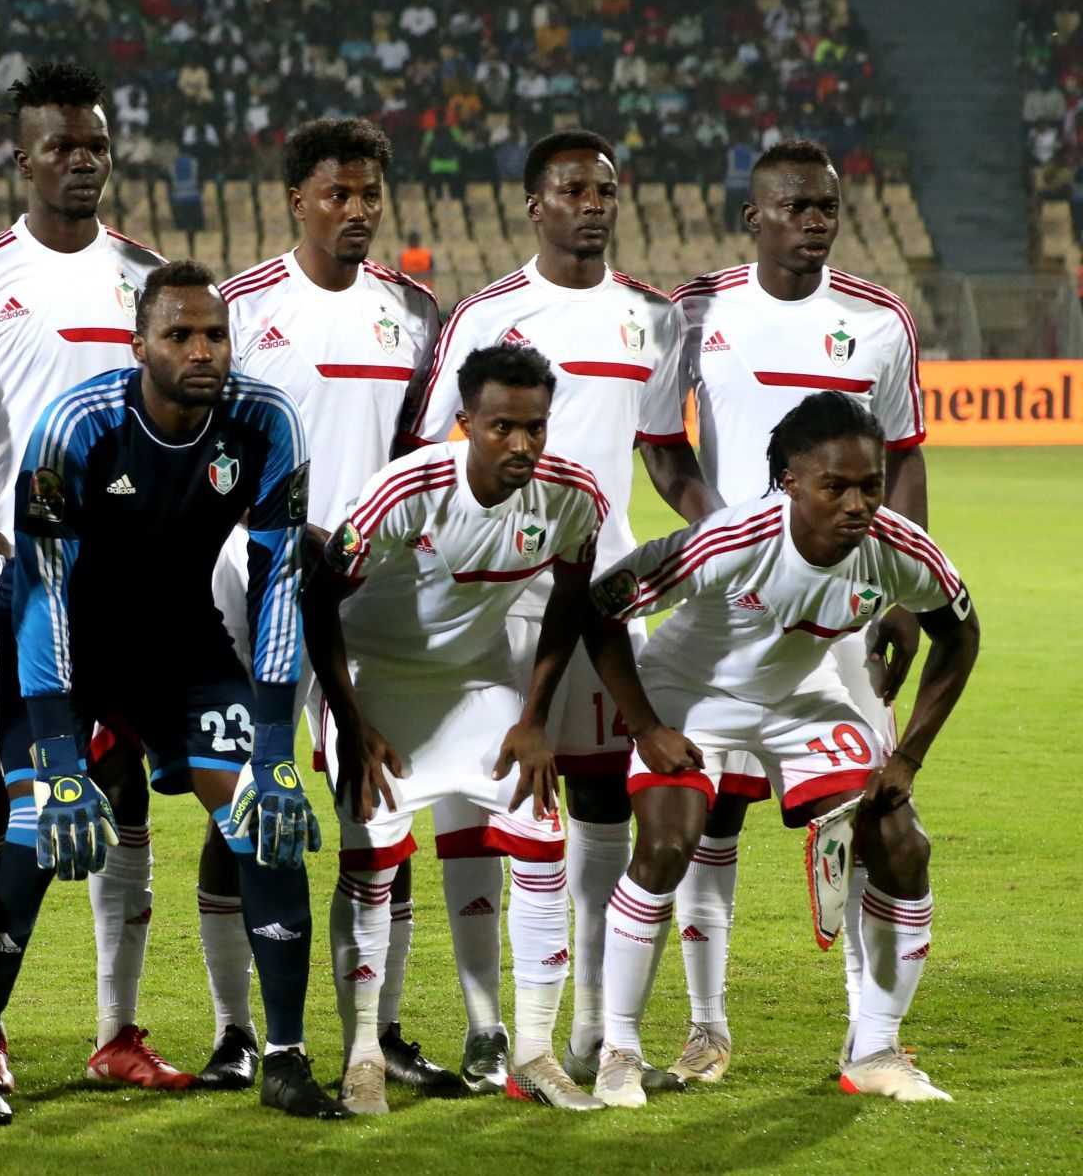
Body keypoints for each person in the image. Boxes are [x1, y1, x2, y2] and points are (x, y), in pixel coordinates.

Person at [0, 262, 346, 1125]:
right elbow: (42, 594)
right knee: (35, 831)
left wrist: (274, 752)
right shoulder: (78, 425)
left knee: (264, 821)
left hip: (182, 645)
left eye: (216, 335)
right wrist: (55, 755)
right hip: (67, 645)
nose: (203, 351)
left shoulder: (265, 421)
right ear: (140, 346)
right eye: (180, 336)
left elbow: (279, 586)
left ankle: (285, 1058)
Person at [406, 131, 715, 1093]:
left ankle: (587, 1034)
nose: (593, 204)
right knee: (493, 798)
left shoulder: (652, 320)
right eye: (573, 190)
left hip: (602, 587)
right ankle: (494, 1029)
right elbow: (427, 449)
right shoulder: (490, 315)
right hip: (494, 595)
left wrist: (724, 533)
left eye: (606, 190)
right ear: (534, 205)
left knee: (591, 795)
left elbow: (665, 451)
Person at [583, 392, 978, 1105]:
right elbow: (598, 607)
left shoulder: (899, 549)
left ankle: (877, 1050)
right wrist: (646, 726)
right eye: (836, 486)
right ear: (791, 482)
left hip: (799, 698)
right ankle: (620, 1049)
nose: (858, 504)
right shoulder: (729, 540)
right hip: (688, 694)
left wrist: (907, 757)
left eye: (871, 484)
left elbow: (960, 633)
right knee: (668, 846)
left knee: (902, 843)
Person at [0, 61, 174, 1091]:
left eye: (96, 146)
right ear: (21, 158)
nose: (81, 161)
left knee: (125, 797)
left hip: (135, 585)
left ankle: (120, 1032)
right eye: (61, 146)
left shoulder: (148, 276)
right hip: (20, 582)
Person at [665, 139, 929, 1084]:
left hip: (845, 618)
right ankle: (706, 1026)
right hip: (728, 619)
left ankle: (874, 1041)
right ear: (755, 216)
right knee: (709, 822)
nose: (816, 221)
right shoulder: (696, 311)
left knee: (873, 816)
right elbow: (664, 446)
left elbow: (905, 455)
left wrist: (899, 587)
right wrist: (726, 537)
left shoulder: (881, 320)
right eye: (797, 206)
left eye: (828, 206)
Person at [198, 119, 445, 1093]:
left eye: (370, 196)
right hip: (251, 585)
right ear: (297, 197)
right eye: (338, 194)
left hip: (376, 598)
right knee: (241, 818)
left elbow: (429, 459)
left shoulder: (418, 312)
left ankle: (379, 1029)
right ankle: (235, 1031)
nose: (357, 212)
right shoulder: (240, 307)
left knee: (379, 812)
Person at [307, 344, 610, 1114]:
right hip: (376, 683)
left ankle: (535, 1052)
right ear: (464, 422)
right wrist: (352, 721)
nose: (521, 445)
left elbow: (571, 599)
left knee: (544, 838)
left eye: (535, 427)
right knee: (372, 861)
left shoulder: (573, 496)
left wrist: (536, 718)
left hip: (480, 683)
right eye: (502, 427)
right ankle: (364, 1055)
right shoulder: (405, 491)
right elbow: (318, 597)